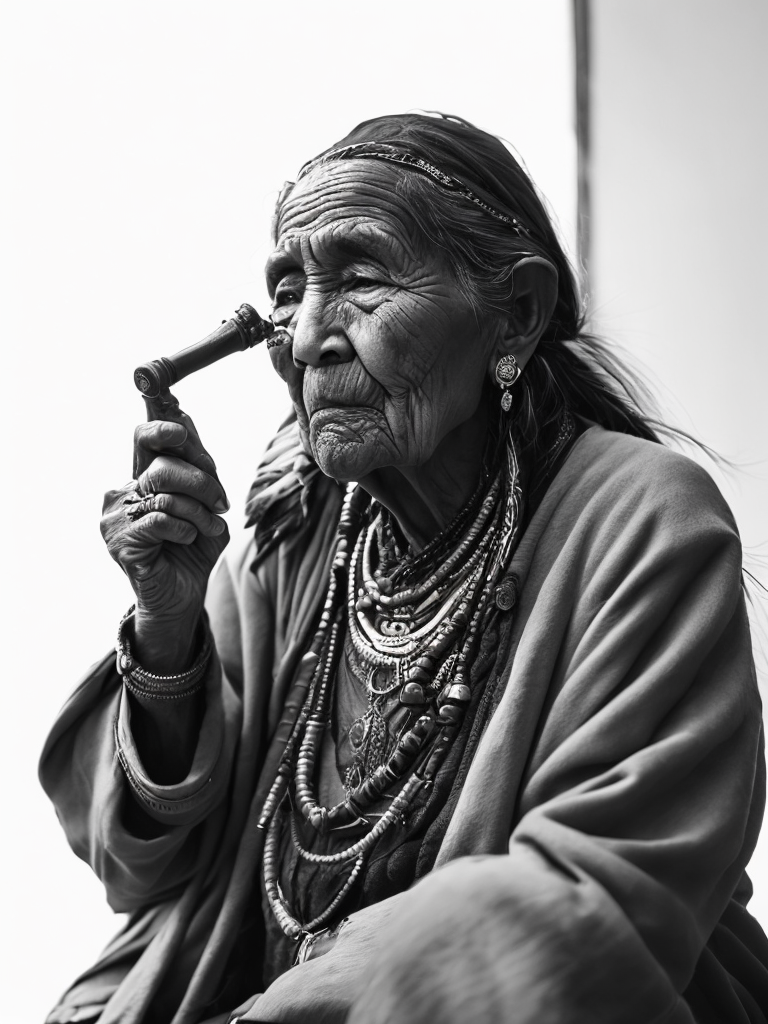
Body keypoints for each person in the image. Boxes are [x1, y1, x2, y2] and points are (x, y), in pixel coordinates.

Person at [40, 113, 768, 1024]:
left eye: (362, 280)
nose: (308, 337)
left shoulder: (643, 520)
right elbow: (139, 872)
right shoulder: (289, 534)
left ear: (517, 314)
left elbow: (593, 907)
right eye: (288, 289)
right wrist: (167, 623)